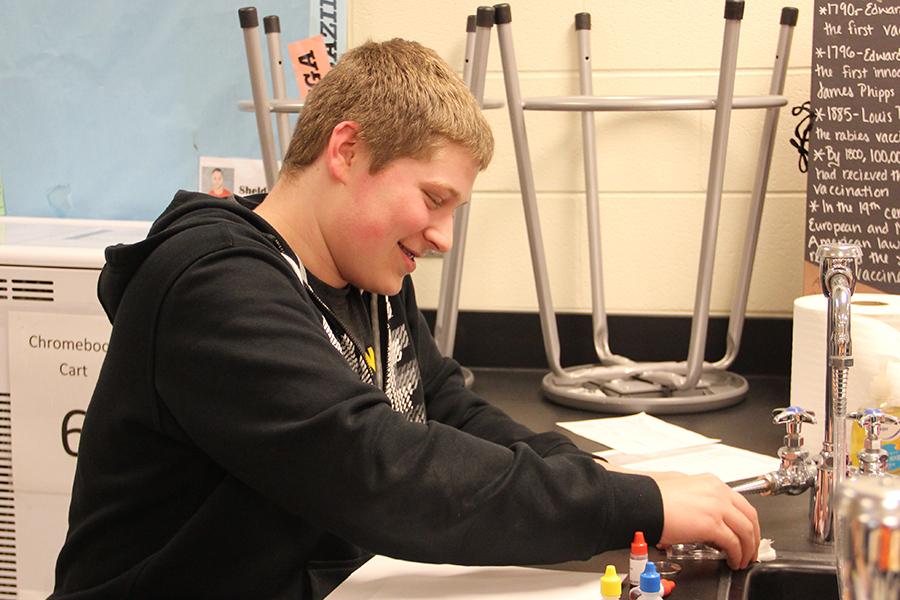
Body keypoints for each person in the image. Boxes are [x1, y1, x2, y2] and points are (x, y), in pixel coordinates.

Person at [52, 39, 759, 599]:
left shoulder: (369, 278)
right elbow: (380, 467)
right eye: (433, 199)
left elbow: (445, 410)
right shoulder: (212, 286)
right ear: (346, 150)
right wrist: (626, 506)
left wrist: (604, 484)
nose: (444, 237)